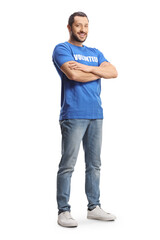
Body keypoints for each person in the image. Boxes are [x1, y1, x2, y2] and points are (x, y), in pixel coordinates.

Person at [52, 11, 118, 228]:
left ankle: (94, 207)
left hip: (96, 114)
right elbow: (73, 76)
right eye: (78, 26)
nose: (83, 30)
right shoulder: (63, 49)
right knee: (68, 165)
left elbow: (113, 72)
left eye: (86, 26)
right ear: (70, 27)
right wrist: (99, 72)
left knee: (94, 164)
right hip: (73, 114)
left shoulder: (94, 51)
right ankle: (64, 211)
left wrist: (90, 68)